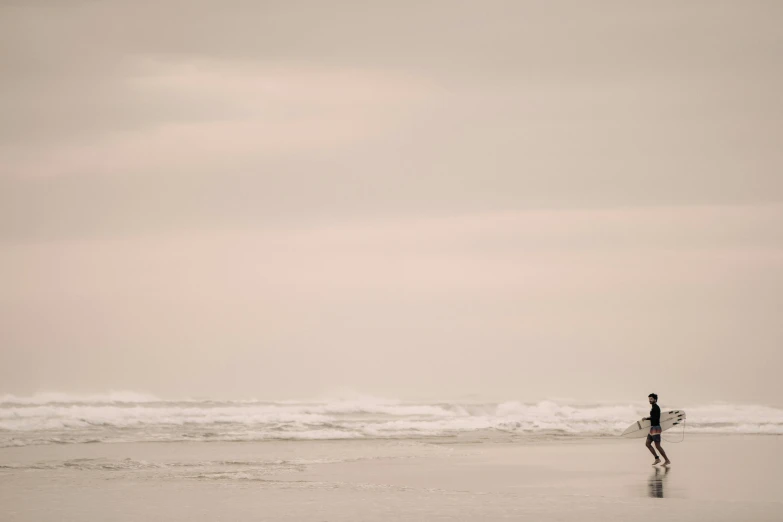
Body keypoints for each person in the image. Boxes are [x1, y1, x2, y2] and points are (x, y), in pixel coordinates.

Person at [643, 393, 670, 466]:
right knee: (647, 444)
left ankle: (667, 460)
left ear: (655, 400)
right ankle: (657, 458)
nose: (650, 400)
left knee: (657, 446)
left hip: (656, 428)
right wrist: (647, 418)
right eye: (649, 399)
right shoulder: (653, 407)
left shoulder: (656, 408)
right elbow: (653, 417)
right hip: (652, 428)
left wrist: (647, 418)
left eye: (651, 399)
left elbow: (655, 418)